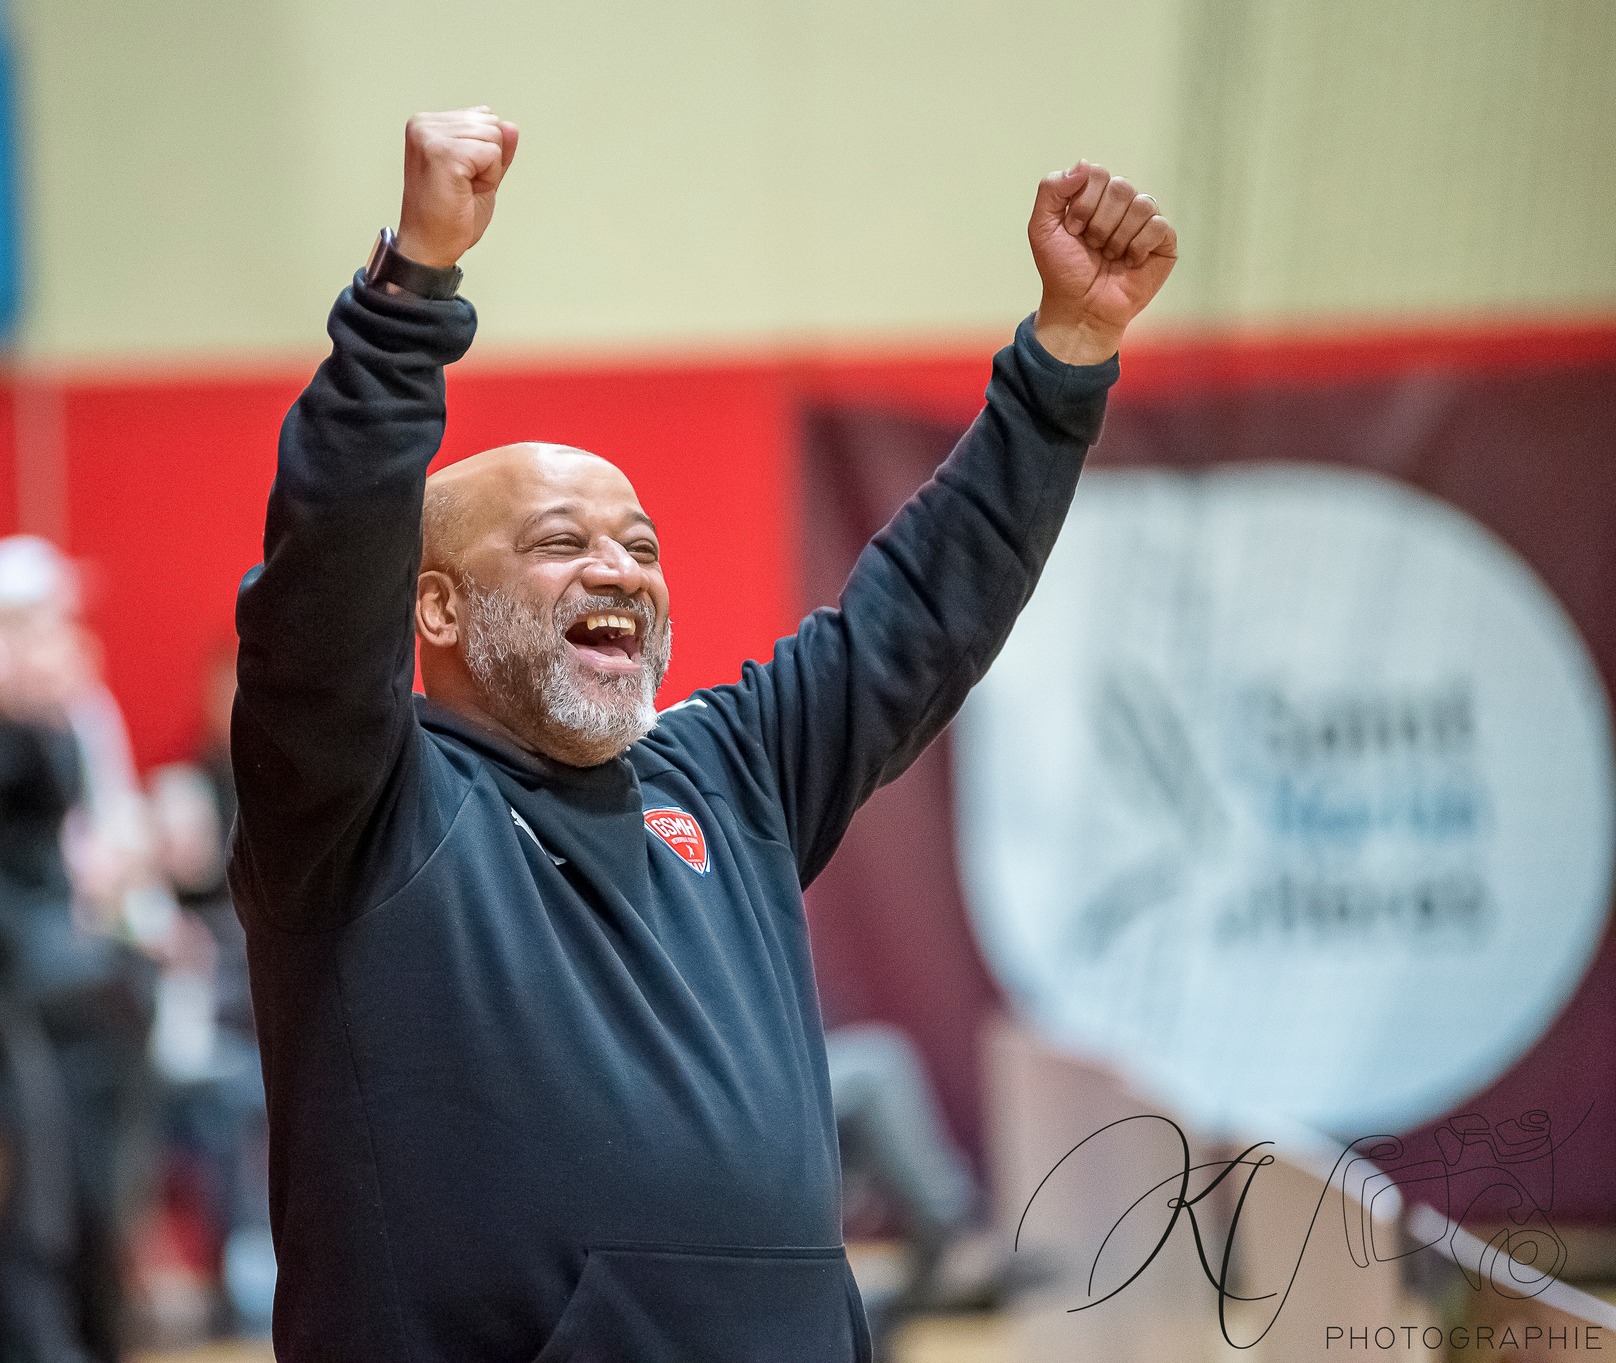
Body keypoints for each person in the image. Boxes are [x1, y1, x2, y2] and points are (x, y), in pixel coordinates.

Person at [228, 107, 1176, 1362]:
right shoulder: (358, 807)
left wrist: (1065, 357)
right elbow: (324, 568)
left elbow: (920, 615)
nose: (618, 570)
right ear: (438, 603)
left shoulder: (726, 775)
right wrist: (411, 291)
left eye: (640, 547)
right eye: (562, 544)